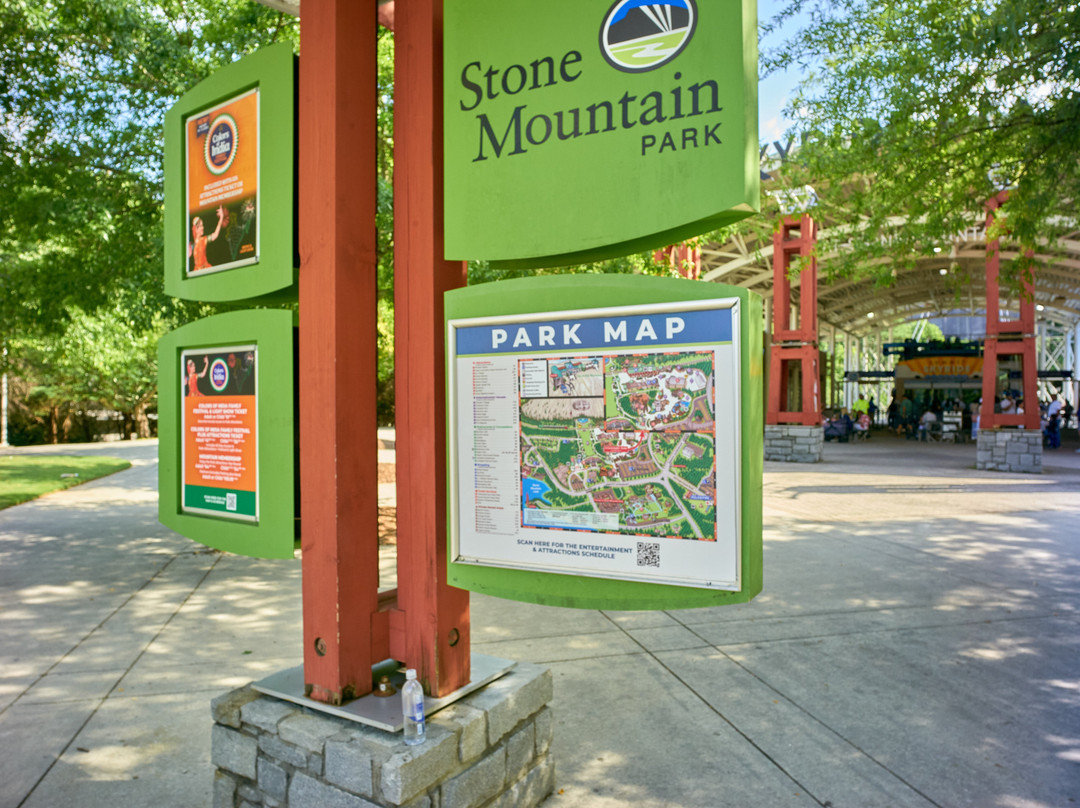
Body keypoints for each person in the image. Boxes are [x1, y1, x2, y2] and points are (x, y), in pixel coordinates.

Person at [188, 205, 227, 272]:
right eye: (200, 226)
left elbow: (215, 235)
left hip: (206, 268)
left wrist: (221, 218)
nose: (203, 227)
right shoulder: (191, 245)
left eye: (202, 225)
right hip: (197, 271)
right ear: (196, 229)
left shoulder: (204, 240)